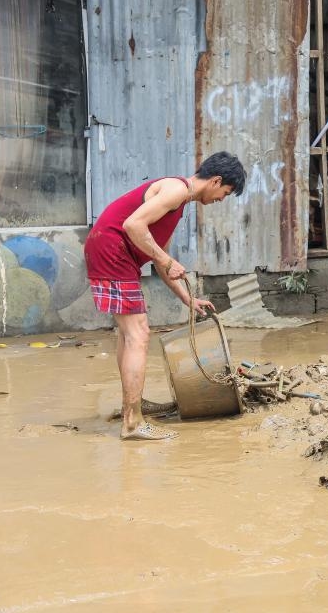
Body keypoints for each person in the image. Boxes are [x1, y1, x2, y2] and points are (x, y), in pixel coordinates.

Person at [84, 152, 247, 441]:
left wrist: (187, 299)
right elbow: (133, 227)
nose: (222, 199)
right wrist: (167, 260)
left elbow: (160, 259)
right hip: (112, 250)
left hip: (108, 249)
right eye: (226, 192)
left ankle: (131, 407)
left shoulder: (178, 203)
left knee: (128, 334)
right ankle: (133, 423)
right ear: (216, 181)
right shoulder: (177, 189)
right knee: (139, 334)